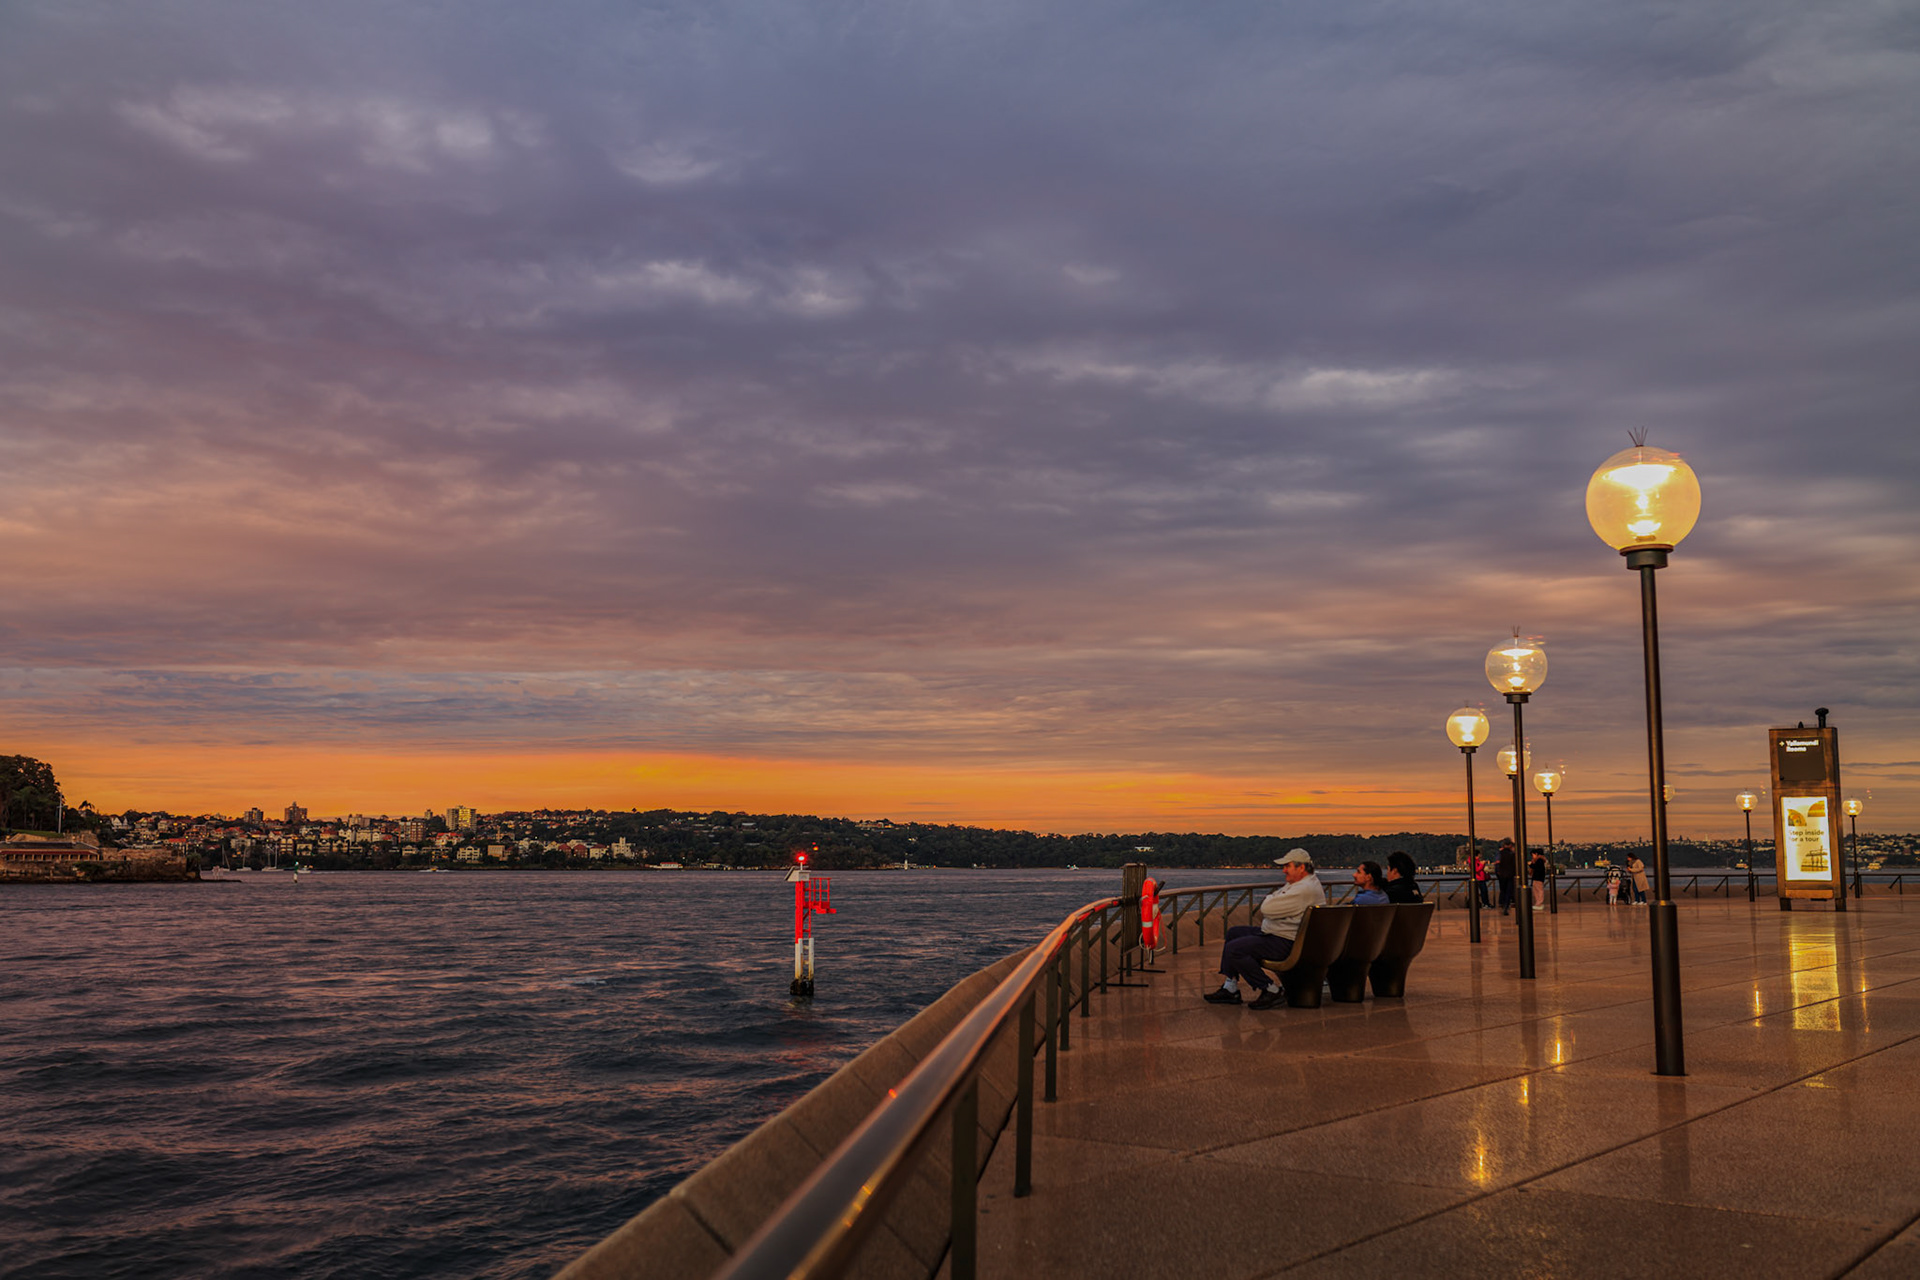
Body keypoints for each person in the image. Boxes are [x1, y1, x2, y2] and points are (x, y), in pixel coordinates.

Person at [1205, 848, 1326, 1010]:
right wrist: (1275, 901)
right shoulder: (1303, 884)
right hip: (1279, 933)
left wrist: (1271, 899)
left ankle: (1270, 989)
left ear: (1301, 868)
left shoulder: (1303, 890)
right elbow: (1273, 906)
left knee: (1235, 950)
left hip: (1285, 941)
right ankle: (1230, 987)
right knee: (1234, 933)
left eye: (1287, 866)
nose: (1284, 870)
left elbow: (1267, 908)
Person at [1495, 838, 1517, 914]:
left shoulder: (1500, 853)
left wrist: (1498, 872)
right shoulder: (1512, 854)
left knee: (1503, 889)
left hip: (1502, 875)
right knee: (1509, 890)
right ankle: (1506, 905)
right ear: (1510, 845)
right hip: (1510, 874)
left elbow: (1497, 864)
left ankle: (1502, 903)